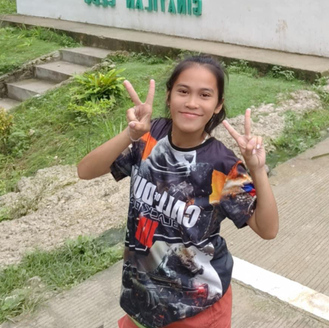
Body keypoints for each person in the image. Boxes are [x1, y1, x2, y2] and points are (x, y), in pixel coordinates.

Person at [78, 55, 278, 328]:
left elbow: (267, 229)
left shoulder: (222, 165)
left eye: (205, 95)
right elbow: (85, 170)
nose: (192, 102)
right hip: (141, 298)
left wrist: (257, 170)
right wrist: (130, 135)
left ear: (217, 105)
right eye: (183, 91)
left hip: (197, 307)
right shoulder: (149, 137)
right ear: (169, 95)